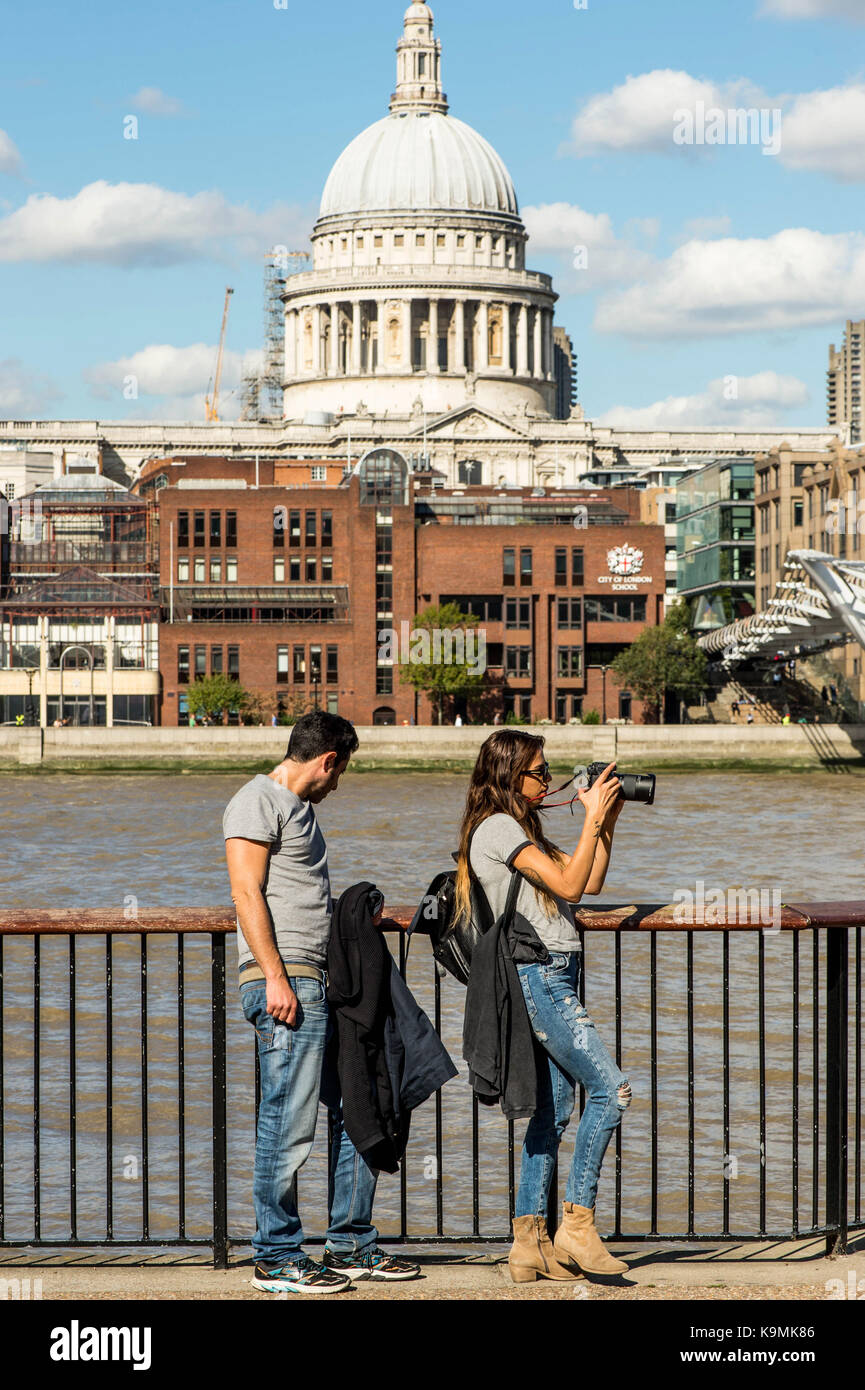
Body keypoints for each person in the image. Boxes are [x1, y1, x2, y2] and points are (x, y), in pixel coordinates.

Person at [224, 711, 419, 1295]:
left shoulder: (298, 812)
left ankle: (347, 1242)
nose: (338, 784)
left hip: (320, 985)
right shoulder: (255, 801)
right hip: (287, 986)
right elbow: (245, 891)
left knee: (353, 1107)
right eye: (341, 772)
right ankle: (276, 1254)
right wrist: (276, 978)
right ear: (329, 759)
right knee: (287, 1122)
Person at [455, 730, 631, 1283]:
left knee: (553, 1113)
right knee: (611, 1090)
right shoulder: (499, 827)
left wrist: (607, 818)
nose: (548, 780)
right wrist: (589, 817)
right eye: (538, 771)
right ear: (510, 775)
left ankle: (527, 1243)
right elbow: (571, 887)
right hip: (542, 976)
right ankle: (577, 1226)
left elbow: (590, 878)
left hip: (557, 974)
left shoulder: (521, 827)